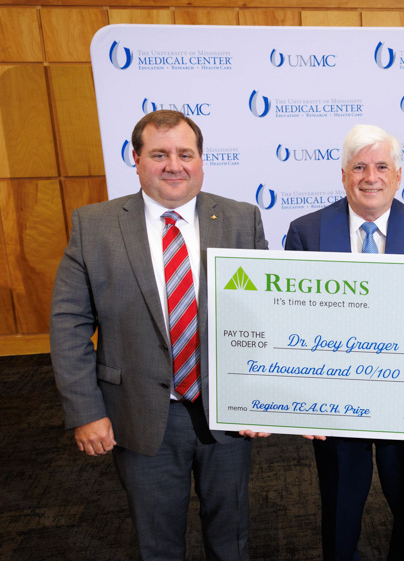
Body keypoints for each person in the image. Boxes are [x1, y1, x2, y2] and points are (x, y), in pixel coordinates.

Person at [50, 110, 268, 560]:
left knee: (232, 539)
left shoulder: (240, 220)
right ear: (136, 159)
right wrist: (85, 411)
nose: (174, 165)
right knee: (158, 545)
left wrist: (263, 397)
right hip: (138, 413)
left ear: (201, 160)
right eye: (159, 154)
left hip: (226, 412)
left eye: (185, 154)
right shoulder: (94, 226)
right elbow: (69, 324)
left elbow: (263, 317)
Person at [284, 124, 404, 561]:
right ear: (343, 175)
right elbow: (292, 320)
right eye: (359, 167)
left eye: (381, 166)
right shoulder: (306, 232)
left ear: (398, 175)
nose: (370, 177)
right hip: (335, 399)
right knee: (340, 505)